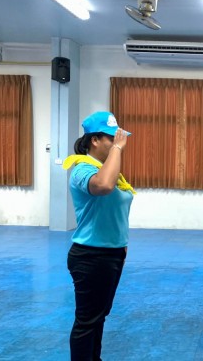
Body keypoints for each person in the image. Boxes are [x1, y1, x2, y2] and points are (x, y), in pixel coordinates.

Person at [62, 111, 135, 361]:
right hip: (91, 256)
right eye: (111, 138)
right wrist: (118, 150)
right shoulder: (82, 168)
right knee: (87, 320)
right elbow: (103, 187)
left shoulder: (107, 169)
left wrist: (121, 246)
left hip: (111, 254)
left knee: (98, 316)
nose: (117, 142)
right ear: (95, 140)